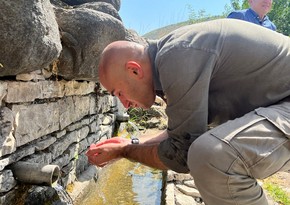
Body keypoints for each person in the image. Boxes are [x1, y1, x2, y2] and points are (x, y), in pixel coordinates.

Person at [86, 18, 290, 205]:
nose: (125, 104)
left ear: (134, 70)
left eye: (120, 93)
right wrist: (129, 144)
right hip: (280, 103)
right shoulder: (169, 59)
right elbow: (180, 133)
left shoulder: (176, 57)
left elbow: (182, 153)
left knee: (210, 156)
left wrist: (125, 151)